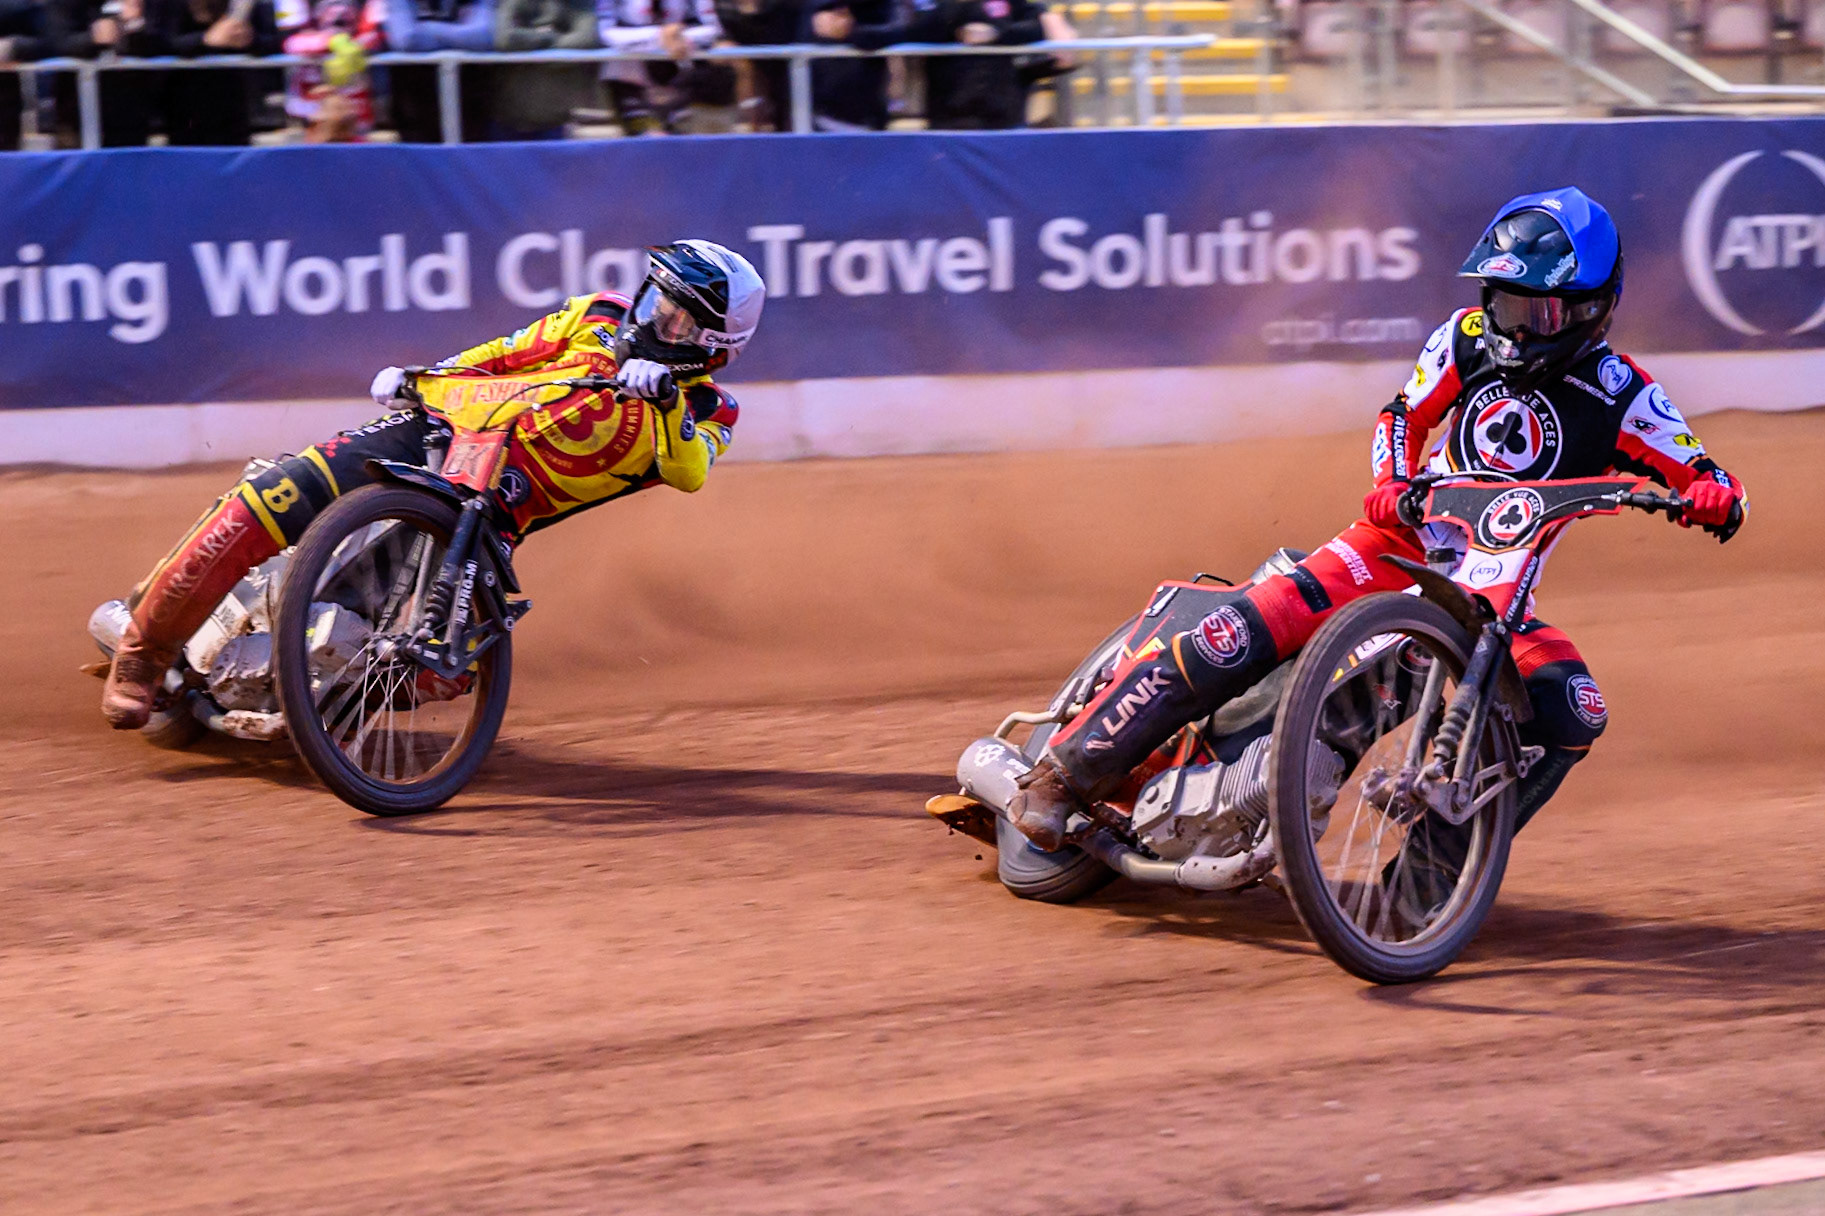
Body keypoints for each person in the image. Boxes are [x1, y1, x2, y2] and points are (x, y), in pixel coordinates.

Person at [1007, 187, 1750, 853]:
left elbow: (1706, 473)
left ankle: (1430, 883)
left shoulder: (1623, 394)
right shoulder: (1462, 338)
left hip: (1492, 598)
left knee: (1571, 710)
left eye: (1535, 312)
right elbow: (1401, 414)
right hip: (1392, 544)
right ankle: (1062, 775)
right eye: (1501, 303)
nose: (1512, 328)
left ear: (1591, 308)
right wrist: (1391, 481)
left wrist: (1716, 496)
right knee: (1235, 630)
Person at [99, 240, 766, 730]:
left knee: (445, 666)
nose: (653, 321)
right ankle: (143, 654)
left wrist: (664, 401)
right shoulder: (595, 315)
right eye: (656, 301)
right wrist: (423, 375)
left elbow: (689, 472)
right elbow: (507, 351)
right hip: (434, 435)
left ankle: (323, 714)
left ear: (710, 345)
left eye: (676, 319)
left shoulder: (709, 410)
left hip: (497, 516)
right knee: (271, 496)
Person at [823, 0, 1047, 129]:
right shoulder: (944, 7)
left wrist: (997, 34)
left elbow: (1035, 28)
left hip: (1004, 117)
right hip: (952, 120)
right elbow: (910, 32)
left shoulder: (1010, 5)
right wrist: (855, 34)